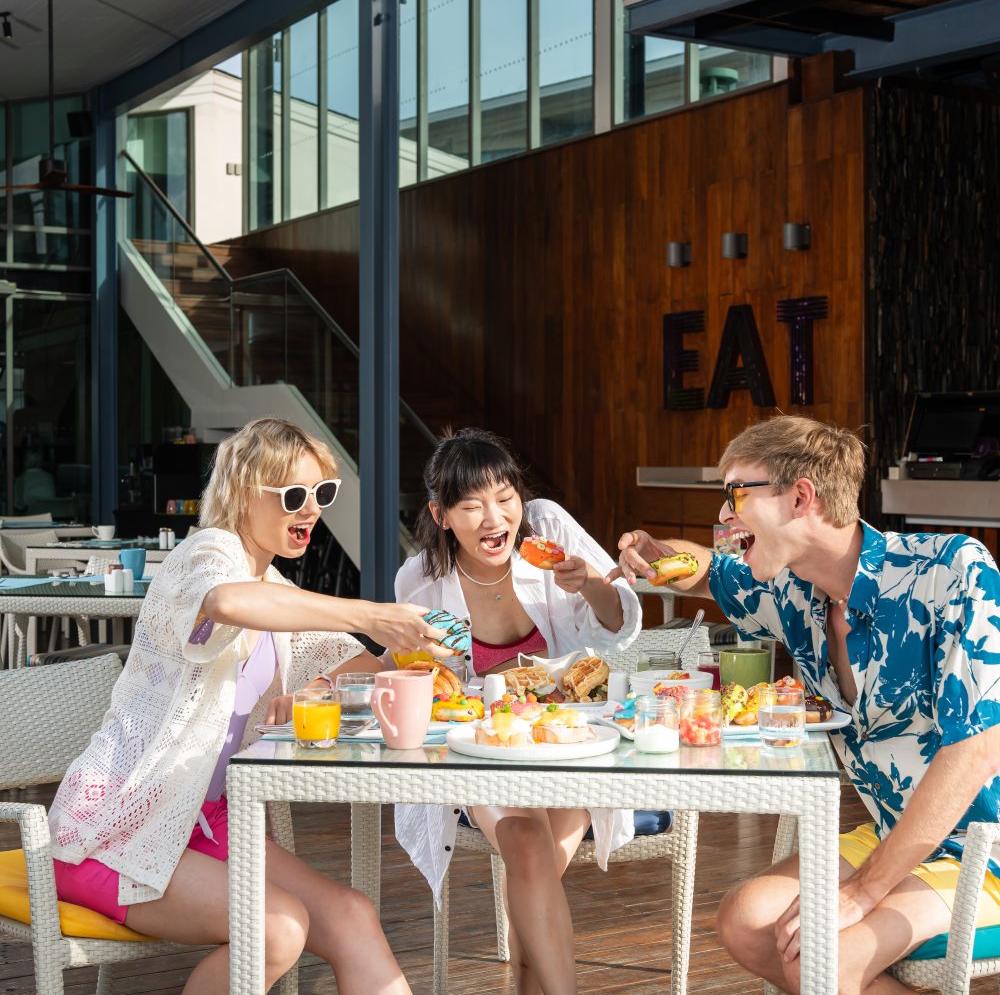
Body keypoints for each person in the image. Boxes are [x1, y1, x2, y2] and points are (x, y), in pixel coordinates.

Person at [48, 417, 452, 995]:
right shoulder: (204, 555)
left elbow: (360, 667)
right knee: (276, 929)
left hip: (205, 821)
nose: (311, 509)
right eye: (293, 495)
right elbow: (228, 602)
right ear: (242, 492)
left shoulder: (276, 590)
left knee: (350, 916)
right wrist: (370, 613)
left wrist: (427, 646)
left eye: (322, 492)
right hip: (114, 827)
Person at [608, 414, 1000, 995]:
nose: (724, 514)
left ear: (800, 497)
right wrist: (661, 554)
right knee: (744, 922)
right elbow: (707, 569)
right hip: (894, 833)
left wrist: (862, 892)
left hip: (987, 850)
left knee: (819, 957)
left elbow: (977, 749)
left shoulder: (951, 571)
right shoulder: (789, 590)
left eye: (736, 494)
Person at [395, 427, 641, 995]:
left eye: (505, 498)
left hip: (571, 741)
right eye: (471, 505)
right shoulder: (421, 582)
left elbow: (620, 624)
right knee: (530, 847)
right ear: (440, 514)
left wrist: (588, 582)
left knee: (533, 861)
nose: (495, 518)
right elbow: (425, 680)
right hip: (484, 747)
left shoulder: (547, 528)